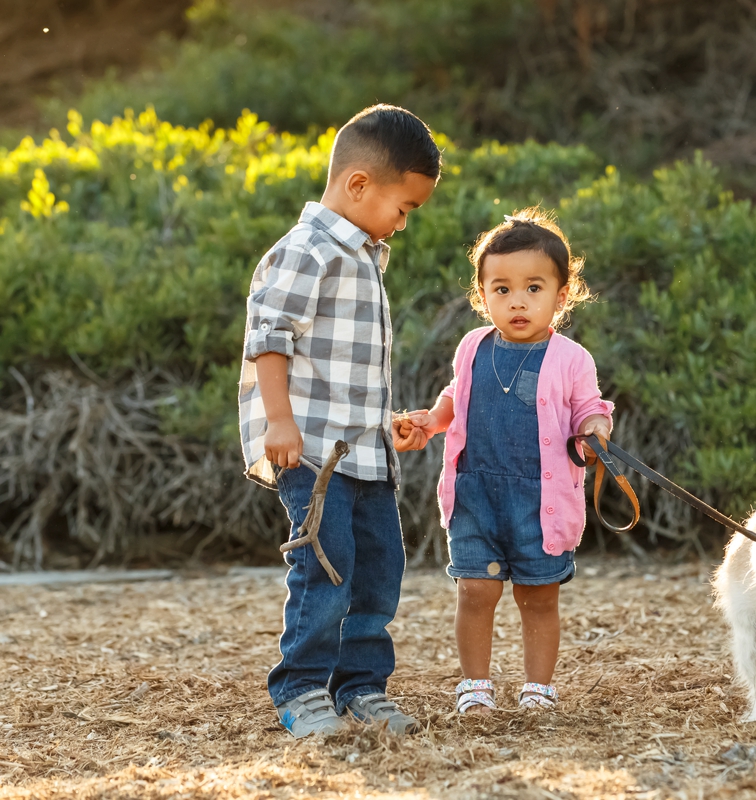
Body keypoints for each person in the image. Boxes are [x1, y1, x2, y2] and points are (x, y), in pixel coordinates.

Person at [238, 104, 439, 738]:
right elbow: (270, 338)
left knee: (379, 572)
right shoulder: (306, 251)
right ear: (358, 185)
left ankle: (360, 688)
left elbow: (350, 367)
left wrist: (389, 423)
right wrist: (278, 422)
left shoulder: (363, 254)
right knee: (326, 567)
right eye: (403, 208)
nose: (403, 224)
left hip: (367, 452)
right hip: (313, 451)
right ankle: (301, 688)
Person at [398, 209, 613, 713]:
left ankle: (538, 686)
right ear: (483, 296)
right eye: (501, 289)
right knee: (475, 589)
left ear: (562, 296)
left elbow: (588, 407)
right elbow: (458, 394)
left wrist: (594, 429)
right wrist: (432, 420)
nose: (517, 301)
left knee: (538, 595)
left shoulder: (572, 358)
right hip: (475, 493)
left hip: (541, 501)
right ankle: (475, 684)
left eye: (533, 288)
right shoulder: (472, 346)